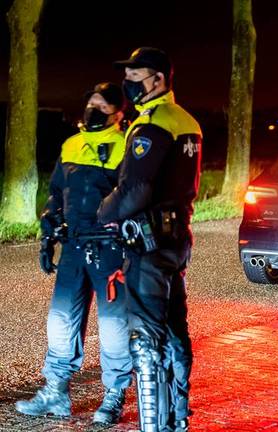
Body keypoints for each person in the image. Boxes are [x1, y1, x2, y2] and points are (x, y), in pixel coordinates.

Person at [97, 47, 201, 432]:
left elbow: (135, 190)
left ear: (157, 79)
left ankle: (153, 426)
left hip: (147, 243)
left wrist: (104, 213)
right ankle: (178, 419)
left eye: (135, 75)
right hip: (176, 240)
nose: (129, 82)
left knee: (145, 340)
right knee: (175, 332)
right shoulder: (186, 120)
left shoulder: (151, 125)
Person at [16, 83, 131, 424]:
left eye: (102, 105)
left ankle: (114, 394)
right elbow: (56, 192)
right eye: (91, 103)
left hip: (109, 247)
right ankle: (56, 390)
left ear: (118, 113)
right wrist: (48, 231)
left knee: (113, 324)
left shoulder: (126, 146)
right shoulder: (71, 145)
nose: (94, 109)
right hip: (73, 246)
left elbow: (134, 195)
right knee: (61, 319)